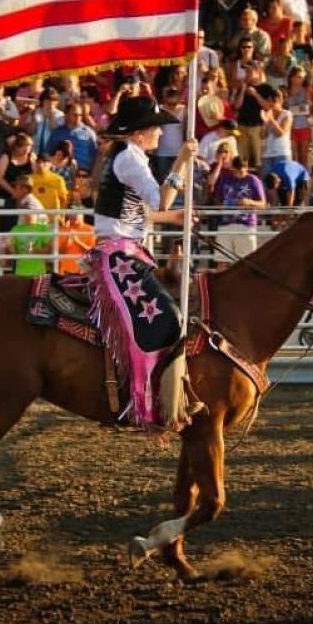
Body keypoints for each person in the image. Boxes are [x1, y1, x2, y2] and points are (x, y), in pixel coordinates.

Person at [89, 96, 202, 433]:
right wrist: (181, 161)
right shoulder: (131, 161)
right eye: (155, 128)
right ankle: (148, 403)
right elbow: (162, 198)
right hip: (120, 255)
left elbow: (146, 212)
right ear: (139, 132)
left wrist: (175, 218)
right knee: (166, 318)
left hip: (126, 250)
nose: (159, 134)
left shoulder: (127, 157)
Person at [210, 155, 266, 268]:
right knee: (221, 260)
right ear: (232, 169)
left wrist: (250, 202)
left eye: (242, 171)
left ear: (246, 168)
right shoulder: (225, 179)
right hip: (225, 225)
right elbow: (218, 198)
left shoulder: (253, 180)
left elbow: (263, 204)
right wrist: (222, 206)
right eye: (237, 172)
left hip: (245, 225)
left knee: (245, 262)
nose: (240, 174)